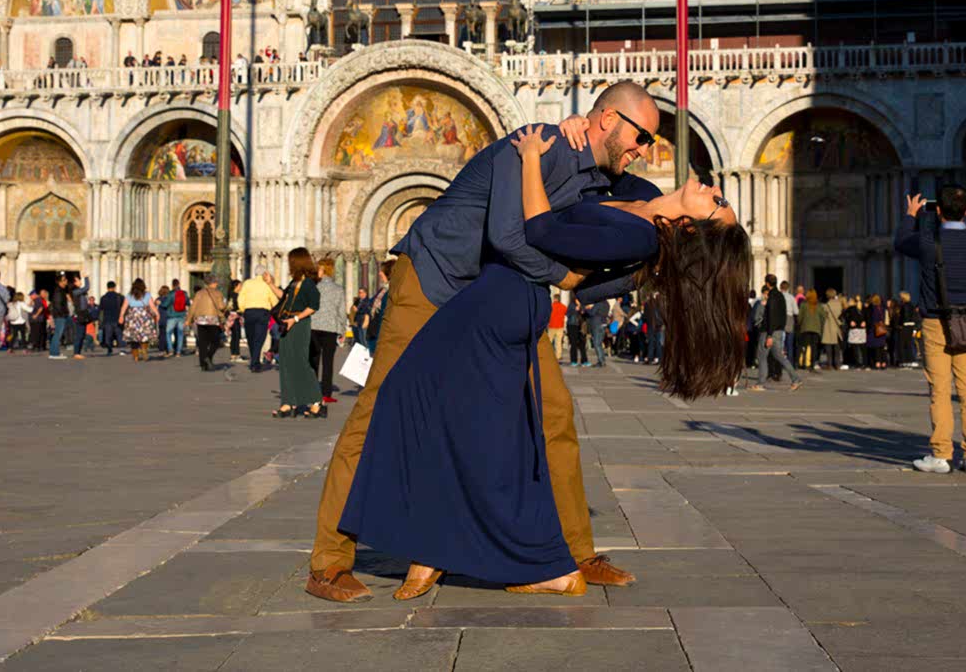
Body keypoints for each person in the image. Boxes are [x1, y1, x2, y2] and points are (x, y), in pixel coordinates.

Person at [337, 125, 749, 598]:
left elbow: (540, 231)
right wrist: (582, 126)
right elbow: (608, 161)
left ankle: (535, 564)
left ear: (691, 229)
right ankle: (442, 550)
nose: (714, 189)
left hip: (501, 303)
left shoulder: (641, 239)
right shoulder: (641, 198)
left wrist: (531, 156)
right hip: (492, 296)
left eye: (716, 203)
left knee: (443, 412)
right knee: (468, 423)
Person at [307, 88, 654, 605]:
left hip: (498, 295)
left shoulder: (600, 174)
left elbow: (648, 197)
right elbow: (508, 236)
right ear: (608, 119)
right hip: (434, 279)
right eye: (641, 136)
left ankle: (572, 551)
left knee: (551, 411)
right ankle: (330, 561)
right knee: (379, 411)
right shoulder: (537, 143)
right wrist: (566, 276)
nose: (644, 149)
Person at [894, 187, 966, 474]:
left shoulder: (926, 242)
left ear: (938, 211)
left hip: (936, 322)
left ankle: (941, 454)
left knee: (940, 389)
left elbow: (900, 241)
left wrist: (912, 215)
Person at [274, 248, 324, 419]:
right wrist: (270, 284)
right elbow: (284, 299)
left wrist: (295, 319)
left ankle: (317, 401)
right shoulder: (293, 282)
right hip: (286, 324)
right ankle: (288, 402)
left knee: (300, 362)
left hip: (299, 324)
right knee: (286, 362)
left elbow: (314, 305)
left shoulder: (309, 284)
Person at [750, 275, 801, 391]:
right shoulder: (781, 296)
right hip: (778, 331)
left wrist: (769, 335)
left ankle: (760, 383)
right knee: (780, 357)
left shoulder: (772, 297)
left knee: (762, 356)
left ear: (767, 283)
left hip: (769, 331)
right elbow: (782, 316)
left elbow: (771, 316)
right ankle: (796, 379)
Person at [311, 259, 348, 402]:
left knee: (313, 360)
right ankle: (326, 393)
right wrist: (342, 330)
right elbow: (341, 312)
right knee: (328, 362)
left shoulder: (314, 287)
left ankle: (311, 391)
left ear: (323, 270)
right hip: (331, 329)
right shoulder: (338, 289)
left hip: (313, 327)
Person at [238, 268, 279, 373]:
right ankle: (255, 363)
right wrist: (274, 308)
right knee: (259, 338)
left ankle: (254, 361)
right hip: (263, 312)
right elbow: (273, 299)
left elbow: (241, 297)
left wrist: (243, 309)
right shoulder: (267, 284)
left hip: (249, 312)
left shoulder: (247, 283)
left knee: (251, 337)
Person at [190, 275, 229, 371]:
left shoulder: (199, 293)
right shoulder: (217, 293)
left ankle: (203, 364)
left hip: (200, 320)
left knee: (202, 342)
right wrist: (227, 306)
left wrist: (188, 319)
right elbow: (221, 307)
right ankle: (208, 356)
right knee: (215, 341)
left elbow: (193, 307)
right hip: (212, 320)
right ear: (214, 283)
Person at [122, 278, 159, 361]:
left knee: (133, 338)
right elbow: (152, 306)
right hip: (144, 316)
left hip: (132, 317)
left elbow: (124, 307)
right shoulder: (147, 295)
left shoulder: (129, 295)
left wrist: (121, 316)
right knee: (145, 335)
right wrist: (157, 314)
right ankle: (144, 348)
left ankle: (136, 356)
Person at [819, 288, 845, 370]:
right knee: (837, 347)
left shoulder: (826, 305)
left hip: (829, 327)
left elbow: (823, 316)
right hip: (837, 327)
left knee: (828, 347)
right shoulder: (839, 304)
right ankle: (837, 364)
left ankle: (829, 364)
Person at [97, 282, 124, 356]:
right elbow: (123, 307)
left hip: (107, 319)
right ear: (114, 287)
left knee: (108, 336)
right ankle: (121, 350)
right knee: (119, 335)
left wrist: (99, 320)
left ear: (107, 287)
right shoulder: (119, 297)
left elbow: (100, 309)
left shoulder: (103, 298)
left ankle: (109, 350)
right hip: (117, 318)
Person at [164, 279, 189, 358]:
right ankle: (178, 352)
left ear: (172, 285)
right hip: (181, 315)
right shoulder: (184, 293)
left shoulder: (171, 294)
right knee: (180, 334)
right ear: (179, 284)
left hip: (172, 316)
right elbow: (187, 302)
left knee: (168, 333)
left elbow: (165, 304)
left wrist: (161, 303)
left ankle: (170, 350)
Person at [796, 289, 821, 370]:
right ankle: (812, 363)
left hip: (805, 328)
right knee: (814, 347)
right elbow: (823, 316)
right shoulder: (818, 305)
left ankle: (803, 363)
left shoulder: (803, 305)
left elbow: (800, 317)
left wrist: (799, 325)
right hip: (816, 328)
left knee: (804, 346)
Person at [867, 295, 889, 370]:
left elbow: (871, 319)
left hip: (874, 329)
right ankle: (884, 362)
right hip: (881, 328)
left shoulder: (872, 308)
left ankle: (877, 362)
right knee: (882, 347)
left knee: (876, 347)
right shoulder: (882, 308)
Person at [546, 291, 568, 360]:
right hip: (560, 326)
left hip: (551, 326)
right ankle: (558, 356)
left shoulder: (550, 306)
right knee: (558, 342)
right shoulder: (563, 307)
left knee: (549, 342)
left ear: (555, 299)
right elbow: (566, 314)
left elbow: (547, 315)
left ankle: (548, 355)